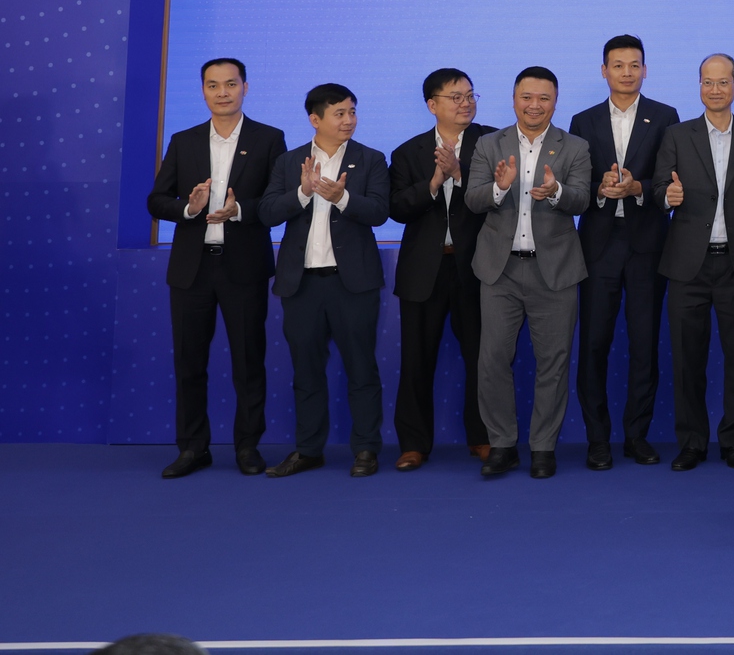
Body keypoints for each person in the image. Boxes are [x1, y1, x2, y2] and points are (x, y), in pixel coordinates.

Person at [147, 58, 288, 478]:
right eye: (213, 85)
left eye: (230, 84)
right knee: (189, 363)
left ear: (245, 87)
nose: (222, 92)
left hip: (242, 267)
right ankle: (193, 449)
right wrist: (188, 208)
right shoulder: (184, 140)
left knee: (248, 362)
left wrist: (240, 210)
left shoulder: (269, 139)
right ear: (203, 91)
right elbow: (157, 200)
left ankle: (247, 447)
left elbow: (277, 202)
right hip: (191, 270)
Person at [256, 84, 391, 478]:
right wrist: (302, 192)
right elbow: (266, 212)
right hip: (301, 285)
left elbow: (380, 211)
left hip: (353, 284)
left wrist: (341, 198)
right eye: (340, 113)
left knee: (362, 369)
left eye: (352, 112)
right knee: (306, 372)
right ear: (315, 119)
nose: (349, 120)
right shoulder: (289, 161)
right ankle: (308, 450)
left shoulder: (371, 159)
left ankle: (365, 450)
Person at [466, 67, 592, 480]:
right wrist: (499, 188)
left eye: (543, 98)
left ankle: (543, 447)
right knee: (492, 361)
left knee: (553, 362)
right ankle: (502, 444)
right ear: (513, 99)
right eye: (527, 97)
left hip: (554, 271)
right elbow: (473, 199)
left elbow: (582, 200)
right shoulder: (489, 144)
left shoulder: (575, 146)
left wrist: (556, 192)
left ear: (555, 102)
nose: (534, 105)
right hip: (499, 271)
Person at [657, 54, 734, 470]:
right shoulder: (676, 135)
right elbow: (658, 186)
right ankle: (692, 441)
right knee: (687, 359)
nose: (715, 90)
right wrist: (665, 196)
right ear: (699, 86)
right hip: (687, 265)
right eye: (708, 82)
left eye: (723, 82)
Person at [569, 34, 681, 471]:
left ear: (645, 70)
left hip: (647, 246)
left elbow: (669, 179)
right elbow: (576, 183)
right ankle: (597, 439)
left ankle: (637, 435)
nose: (627, 73)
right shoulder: (583, 121)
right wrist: (599, 189)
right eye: (618, 65)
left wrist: (638, 188)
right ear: (604, 71)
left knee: (644, 344)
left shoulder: (665, 117)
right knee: (593, 344)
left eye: (635, 65)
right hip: (599, 246)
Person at [387, 69, 494, 470]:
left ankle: (483, 437)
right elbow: (396, 208)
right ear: (432, 105)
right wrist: (434, 182)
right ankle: (414, 444)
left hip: (478, 268)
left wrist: (460, 175)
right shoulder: (408, 152)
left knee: (483, 358)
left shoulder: (493, 142)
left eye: (470, 95)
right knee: (416, 360)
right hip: (423, 270)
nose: (466, 103)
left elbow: (502, 198)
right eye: (456, 97)